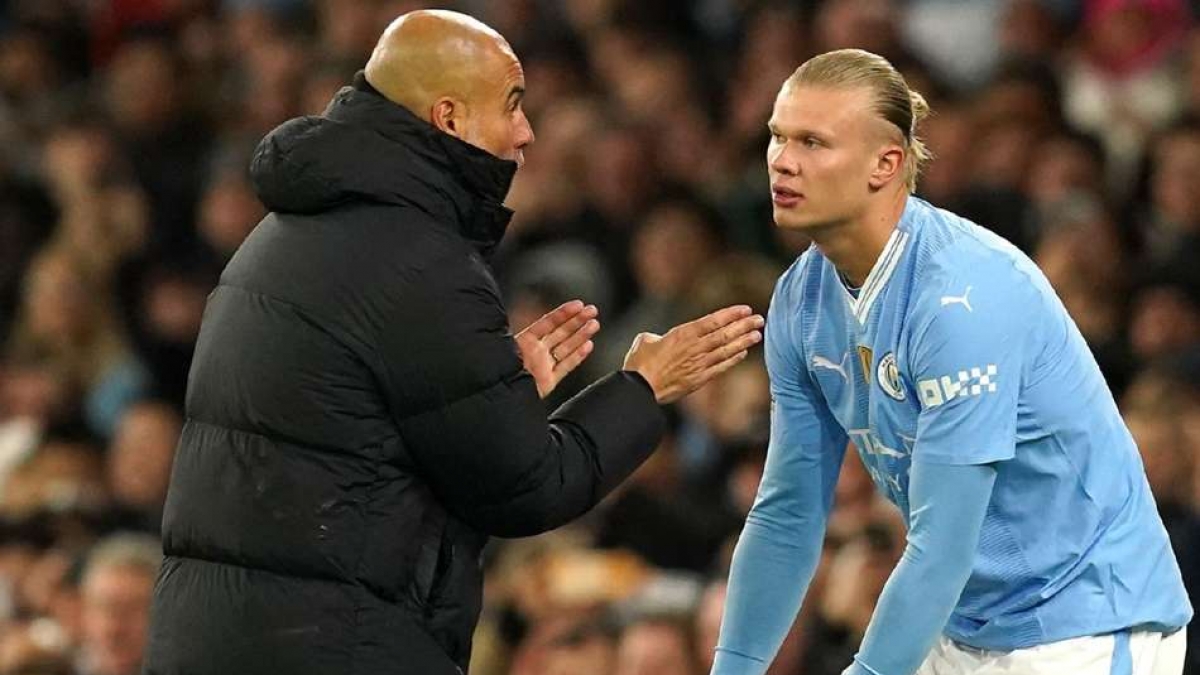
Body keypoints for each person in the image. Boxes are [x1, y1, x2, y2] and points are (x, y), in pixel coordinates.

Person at [142, 10, 764, 675]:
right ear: (450, 118)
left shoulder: (285, 234)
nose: (527, 131)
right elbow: (527, 486)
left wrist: (498, 393)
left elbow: (357, 436)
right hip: (330, 646)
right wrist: (642, 387)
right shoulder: (416, 259)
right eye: (512, 105)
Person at [713, 49, 1192, 675]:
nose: (782, 160)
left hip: (1085, 622)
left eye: (813, 142)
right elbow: (788, 513)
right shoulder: (800, 300)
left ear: (885, 164)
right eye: (778, 136)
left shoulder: (961, 298)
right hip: (962, 622)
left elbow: (942, 549)